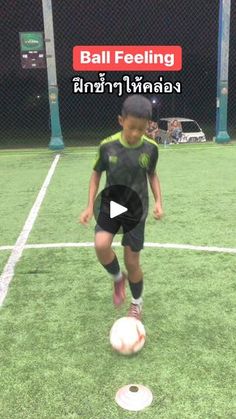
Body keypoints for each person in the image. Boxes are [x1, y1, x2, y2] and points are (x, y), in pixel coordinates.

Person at [79, 95, 164, 320]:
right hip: (112, 203)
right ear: (121, 121)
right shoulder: (108, 147)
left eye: (142, 128)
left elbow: (152, 175)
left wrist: (159, 202)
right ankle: (118, 278)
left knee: (132, 261)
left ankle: (136, 304)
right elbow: (96, 173)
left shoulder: (151, 149)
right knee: (101, 245)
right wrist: (89, 206)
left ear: (148, 126)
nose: (136, 133)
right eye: (131, 127)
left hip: (137, 209)